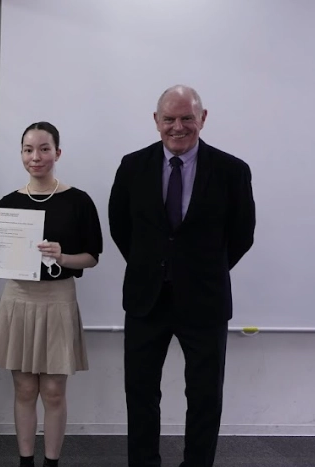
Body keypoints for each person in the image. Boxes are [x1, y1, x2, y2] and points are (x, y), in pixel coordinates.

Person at [108, 85, 256, 467]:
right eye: (169, 119)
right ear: (156, 121)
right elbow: (120, 227)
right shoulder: (132, 166)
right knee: (141, 394)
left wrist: (202, 270)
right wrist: (153, 265)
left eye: (187, 118)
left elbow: (242, 234)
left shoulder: (232, 171)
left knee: (205, 397)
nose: (178, 127)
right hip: (146, 299)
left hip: (205, 301)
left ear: (202, 118)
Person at [0, 122, 103, 467]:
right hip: (18, 299)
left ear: (57, 153)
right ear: (21, 154)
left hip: (57, 300)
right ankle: (25, 461)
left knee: (53, 392)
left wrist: (62, 257)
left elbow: (92, 257)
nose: (36, 157)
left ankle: (51, 462)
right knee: (23, 389)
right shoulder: (9, 203)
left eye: (44, 149)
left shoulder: (78, 201)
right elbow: (4, 258)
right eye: (28, 149)